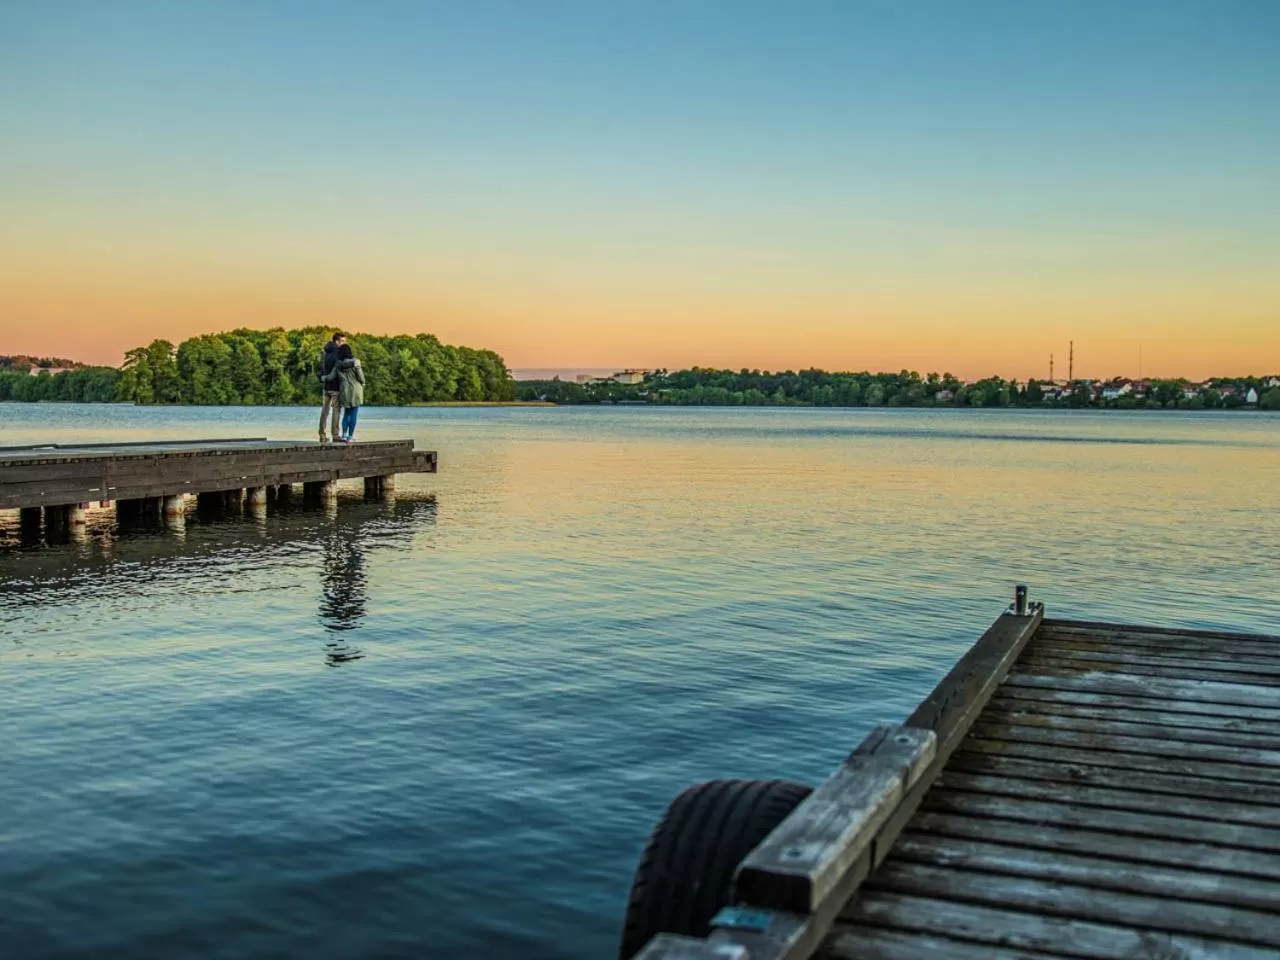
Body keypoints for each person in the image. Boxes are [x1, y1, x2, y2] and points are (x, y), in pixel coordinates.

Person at [318, 332, 346, 443]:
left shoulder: (325, 353)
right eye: (343, 341)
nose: (344, 344)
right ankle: (335, 435)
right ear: (337, 341)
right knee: (336, 411)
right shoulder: (337, 353)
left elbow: (321, 370)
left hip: (326, 387)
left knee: (324, 411)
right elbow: (339, 368)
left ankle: (322, 435)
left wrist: (323, 378)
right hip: (335, 386)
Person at [337, 344, 365, 442]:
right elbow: (361, 377)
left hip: (344, 390)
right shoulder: (355, 362)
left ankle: (344, 435)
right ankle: (350, 436)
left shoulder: (339, 364)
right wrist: (363, 382)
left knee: (346, 413)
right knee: (354, 414)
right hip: (356, 390)